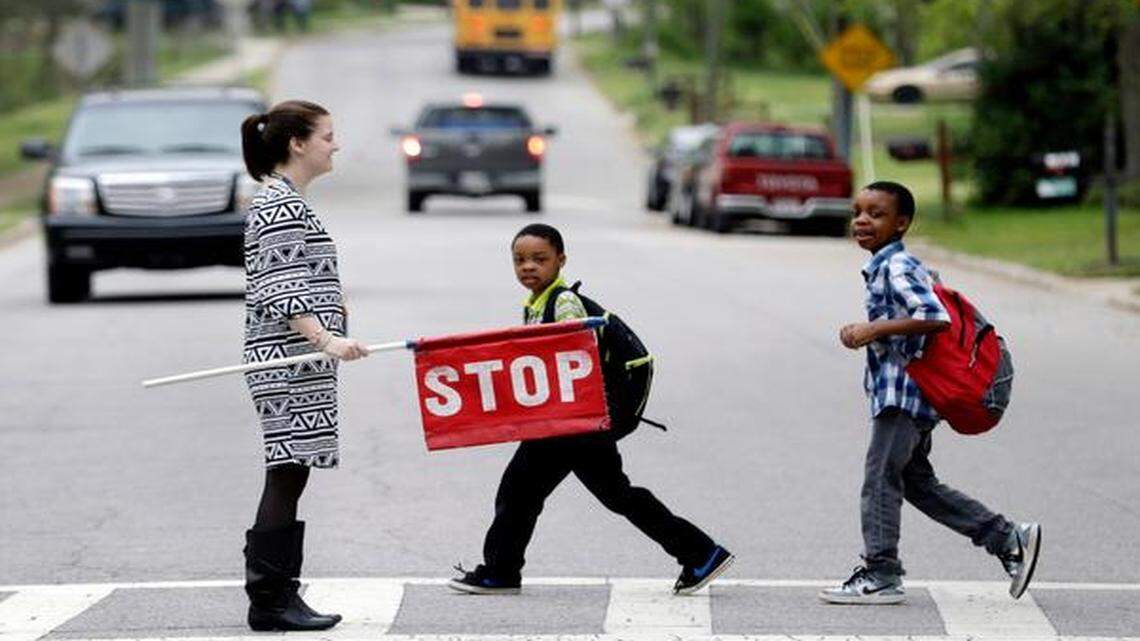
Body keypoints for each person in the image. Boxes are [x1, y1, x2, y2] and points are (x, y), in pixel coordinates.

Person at [449, 223, 733, 596]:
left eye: (539, 259)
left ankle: (500, 571)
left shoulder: (564, 301)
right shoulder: (537, 301)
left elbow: (570, 356)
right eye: (519, 260)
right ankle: (700, 552)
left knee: (521, 491)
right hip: (574, 418)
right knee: (608, 494)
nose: (528, 267)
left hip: (575, 420)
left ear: (560, 261)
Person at [819, 181, 1041, 605]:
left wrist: (871, 329)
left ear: (901, 223)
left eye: (876, 214)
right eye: (858, 212)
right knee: (916, 483)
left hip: (904, 396)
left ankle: (881, 572)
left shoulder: (897, 267)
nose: (862, 221)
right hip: (911, 393)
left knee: (880, 477)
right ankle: (1008, 538)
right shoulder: (892, 265)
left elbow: (932, 316)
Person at [239, 100, 369, 630]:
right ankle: (270, 599)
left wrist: (332, 328)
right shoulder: (278, 204)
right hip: (287, 359)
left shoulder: (289, 200)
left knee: (290, 470)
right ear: (297, 143)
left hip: (299, 358)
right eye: (327, 136)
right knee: (287, 470)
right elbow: (281, 287)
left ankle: (276, 595)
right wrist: (325, 339)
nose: (335, 145)